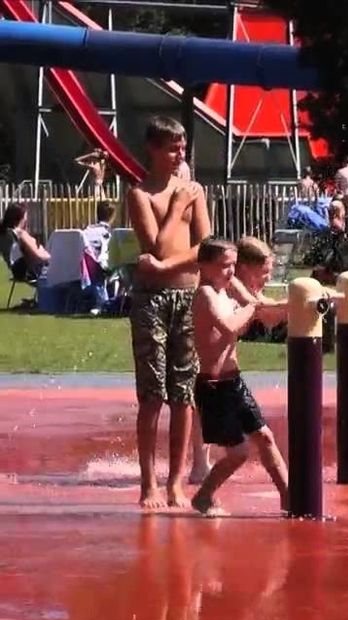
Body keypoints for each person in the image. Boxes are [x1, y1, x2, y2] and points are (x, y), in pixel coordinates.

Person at [126, 116, 210, 509]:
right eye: (173, 148)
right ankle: (149, 483)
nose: (180, 155)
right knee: (153, 395)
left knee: (184, 393)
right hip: (152, 303)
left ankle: (177, 481)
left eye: (183, 147)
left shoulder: (195, 191)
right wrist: (177, 207)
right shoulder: (140, 194)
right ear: (154, 150)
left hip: (187, 299)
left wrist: (165, 267)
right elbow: (157, 247)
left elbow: (206, 249)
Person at [189, 239, 289, 517]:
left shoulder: (228, 287)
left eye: (233, 265)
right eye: (223, 266)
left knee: (265, 437)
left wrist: (294, 302)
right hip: (214, 386)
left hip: (234, 381)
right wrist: (252, 308)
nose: (230, 272)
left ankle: (288, 496)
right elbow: (229, 325)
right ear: (204, 267)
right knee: (238, 453)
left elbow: (259, 303)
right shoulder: (206, 294)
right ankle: (204, 496)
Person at [1, 203, 50, 283]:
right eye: (25, 217)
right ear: (20, 218)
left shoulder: (4, 234)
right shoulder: (20, 233)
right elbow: (38, 256)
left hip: (16, 271)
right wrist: (52, 258)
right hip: (30, 271)